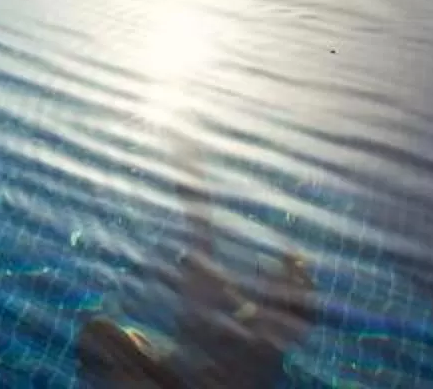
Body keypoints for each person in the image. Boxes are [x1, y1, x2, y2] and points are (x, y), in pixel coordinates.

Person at [77, 163, 316, 386]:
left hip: (178, 368)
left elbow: (201, 233)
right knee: (99, 336)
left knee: (100, 338)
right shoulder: (226, 314)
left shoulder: (253, 350)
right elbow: (201, 232)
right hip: (177, 364)